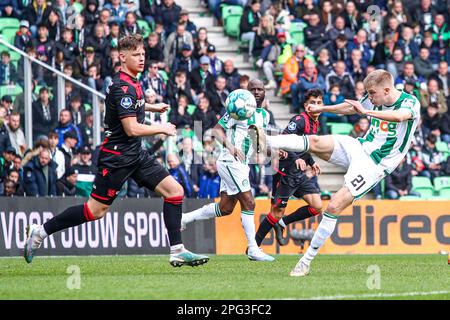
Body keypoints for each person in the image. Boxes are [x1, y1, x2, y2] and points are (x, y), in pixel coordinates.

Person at [24, 34, 209, 268]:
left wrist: (152, 106)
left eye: (143, 54)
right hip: (117, 157)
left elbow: (134, 104)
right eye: (136, 55)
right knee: (95, 211)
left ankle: (177, 250)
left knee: (174, 191)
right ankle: (40, 232)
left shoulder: (132, 81)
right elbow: (131, 128)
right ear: (122, 57)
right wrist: (160, 128)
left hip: (136, 154)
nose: (142, 59)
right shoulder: (122, 87)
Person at [263, 70, 421, 276]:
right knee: (316, 141)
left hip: (375, 165)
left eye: (372, 94)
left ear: (387, 90)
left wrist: (367, 112)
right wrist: (322, 107)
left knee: (334, 206)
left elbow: (399, 116)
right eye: (368, 94)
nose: (370, 98)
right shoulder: (375, 97)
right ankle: (265, 140)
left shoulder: (410, 103)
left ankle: (305, 262)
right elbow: (352, 107)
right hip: (360, 146)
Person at [181, 79, 274, 262]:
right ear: (246, 92)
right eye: (252, 89)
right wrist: (231, 147)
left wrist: (273, 151)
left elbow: (258, 142)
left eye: (259, 89)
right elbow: (216, 131)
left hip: (242, 163)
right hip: (229, 160)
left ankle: (185, 218)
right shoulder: (236, 110)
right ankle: (253, 249)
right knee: (249, 202)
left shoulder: (265, 115)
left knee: (226, 208)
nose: (256, 92)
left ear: (264, 92)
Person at [255, 89, 323, 247]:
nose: (316, 105)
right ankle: (254, 246)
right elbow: (285, 138)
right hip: (285, 172)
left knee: (317, 206)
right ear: (306, 106)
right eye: (313, 103)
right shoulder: (300, 119)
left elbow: (303, 146)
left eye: (319, 103)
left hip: (298, 172)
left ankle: (282, 224)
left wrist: (311, 162)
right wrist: (296, 158)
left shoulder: (315, 123)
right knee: (276, 212)